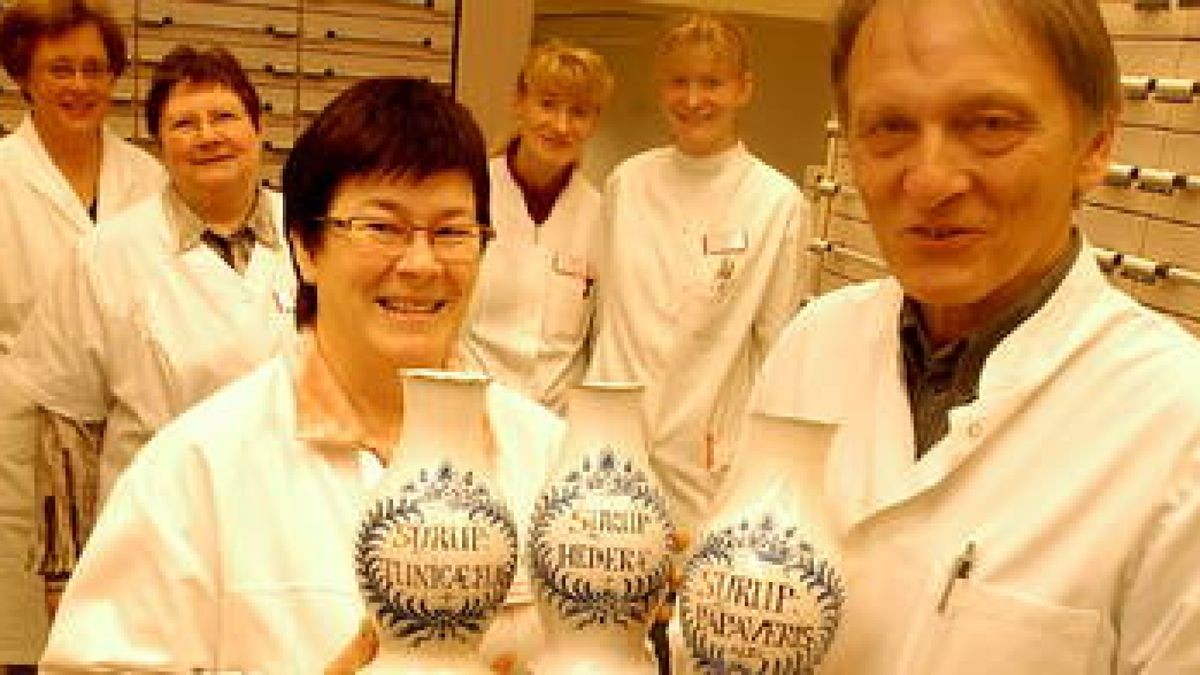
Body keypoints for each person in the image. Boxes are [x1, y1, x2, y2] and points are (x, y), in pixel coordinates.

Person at [39, 77, 563, 672]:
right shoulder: (197, 468)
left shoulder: (551, 460)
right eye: (382, 227)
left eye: (451, 232)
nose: (421, 263)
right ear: (307, 249)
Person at [746, 0, 1200, 672]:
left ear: (1096, 144)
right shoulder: (814, 345)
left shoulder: (1176, 426)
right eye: (889, 127)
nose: (930, 181)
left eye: (990, 125)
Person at [4, 45, 294, 620]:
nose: (208, 136)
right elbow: (68, 426)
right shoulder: (106, 256)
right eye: (184, 124)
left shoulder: (315, 235)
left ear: (259, 128)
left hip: (292, 533)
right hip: (155, 542)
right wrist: (64, 574)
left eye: (225, 117)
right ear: (160, 147)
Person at [588, 11, 810, 541]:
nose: (693, 99)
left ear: (743, 89)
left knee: (687, 606)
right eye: (679, 82)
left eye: (711, 82)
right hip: (609, 437)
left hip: (706, 452)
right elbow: (598, 315)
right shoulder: (627, 184)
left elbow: (777, 345)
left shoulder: (776, 203)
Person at [0, 0, 162, 668]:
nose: (80, 86)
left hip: (123, 416)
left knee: (119, 620)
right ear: (23, 77)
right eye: (59, 68)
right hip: (15, 416)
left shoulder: (149, 178)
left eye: (95, 69)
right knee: (20, 613)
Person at [460, 39, 614, 412]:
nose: (561, 125)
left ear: (594, 122)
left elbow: (601, 337)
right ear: (519, 102)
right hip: (472, 408)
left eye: (578, 112)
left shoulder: (600, 214)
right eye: (547, 104)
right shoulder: (471, 194)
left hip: (557, 426)